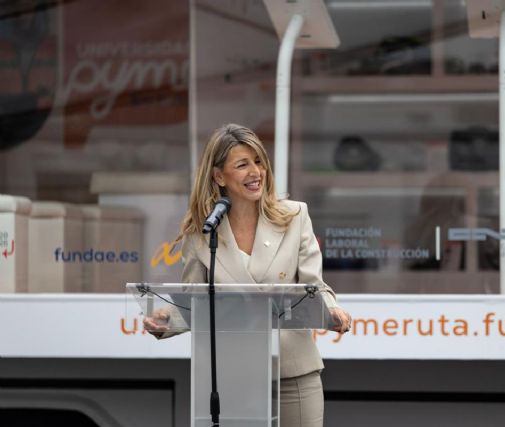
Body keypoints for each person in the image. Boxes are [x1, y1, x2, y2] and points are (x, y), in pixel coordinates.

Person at [143, 123, 351, 427]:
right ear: (219, 176)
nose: (256, 172)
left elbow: (314, 286)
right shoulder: (202, 232)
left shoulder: (295, 217)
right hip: (233, 374)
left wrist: (331, 310)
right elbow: (195, 300)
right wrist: (167, 319)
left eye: (258, 161)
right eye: (242, 165)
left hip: (292, 371)